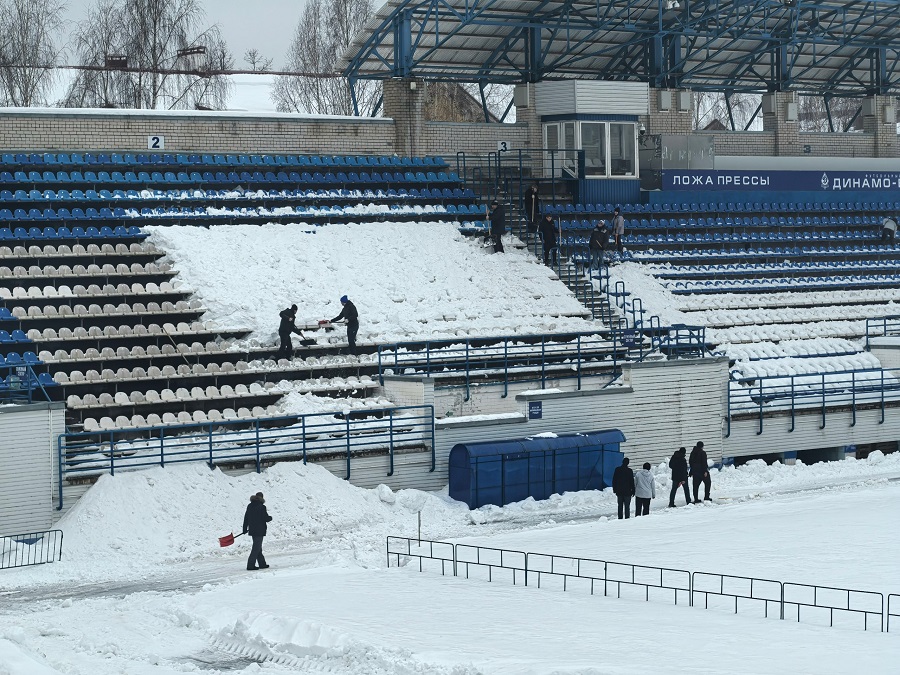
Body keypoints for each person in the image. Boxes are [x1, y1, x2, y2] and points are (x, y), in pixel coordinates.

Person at [242, 492, 272, 571]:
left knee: (258, 547)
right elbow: (265, 518)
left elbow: (246, 518)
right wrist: (270, 518)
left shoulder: (250, 506)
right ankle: (250, 565)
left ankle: (262, 563)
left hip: (252, 530)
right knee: (256, 548)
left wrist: (244, 528)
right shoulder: (262, 507)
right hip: (260, 530)